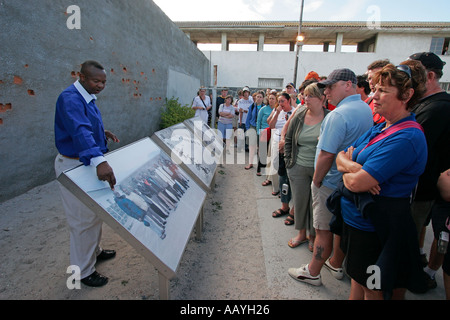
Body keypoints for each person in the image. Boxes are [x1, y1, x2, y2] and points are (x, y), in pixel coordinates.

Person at [330, 61, 429, 300]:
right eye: (375, 89)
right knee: (357, 276)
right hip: (358, 221)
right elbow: (340, 156)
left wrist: (352, 171)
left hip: (375, 228)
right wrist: (355, 167)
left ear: (406, 95)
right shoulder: (382, 126)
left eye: (383, 90)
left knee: (372, 287)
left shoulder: (407, 136)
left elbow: (354, 183)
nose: (374, 95)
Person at [288, 68, 373, 286]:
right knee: (338, 229)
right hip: (347, 180)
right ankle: (336, 263)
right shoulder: (364, 108)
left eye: (331, 87)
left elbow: (326, 154)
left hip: (330, 181)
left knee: (322, 229)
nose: (327, 92)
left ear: (348, 85)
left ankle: (313, 271)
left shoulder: (337, 115)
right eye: (324, 88)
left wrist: (317, 181)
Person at [54, 60, 120, 287]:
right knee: (81, 221)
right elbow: (79, 129)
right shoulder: (70, 98)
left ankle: (94, 251)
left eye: (104, 82)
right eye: (96, 81)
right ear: (81, 76)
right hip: (74, 166)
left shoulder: (86, 94)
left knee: (93, 214)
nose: (101, 85)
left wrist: (103, 133)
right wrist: (100, 160)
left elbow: (87, 125)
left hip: (85, 163)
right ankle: (82, 272)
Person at [407, 52, 450, 289]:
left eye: (413, 75)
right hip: (423, 189)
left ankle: (415, 278)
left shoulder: (436, 108)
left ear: (429, 76)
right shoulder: (427, 104)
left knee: (408, 238)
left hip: (423, 190)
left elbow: (408, 149)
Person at [284, 83, 330, 250]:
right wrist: (289, 162)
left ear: (322, 98)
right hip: (298, 166)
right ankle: (301, 234)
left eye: (311, 96)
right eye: (305, 95)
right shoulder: (300, 114)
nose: (306, 99)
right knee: (300, 201)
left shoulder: (330, 117)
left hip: (321, 169)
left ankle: (313, 236)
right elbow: (289, 138)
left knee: (315, 204)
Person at [268, 92, 294, 218]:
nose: (281, 104)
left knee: (292, 177)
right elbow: (271, 126)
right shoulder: (277, 112)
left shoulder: (296, 112)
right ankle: (284, 205)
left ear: (289, 101)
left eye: (282, 101)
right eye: (279, 101)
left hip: (291, 148)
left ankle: (293, 208)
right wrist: (277, 113)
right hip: (278, 145)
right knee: (281, 174)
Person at [261, 90, 279, 190]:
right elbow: (269, 121)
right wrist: (275, 112)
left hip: (280, 137)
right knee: (269, 156)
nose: (271, 100)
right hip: (272, 134)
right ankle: (268, 178)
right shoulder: (275, 109)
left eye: (273, 99)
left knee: (276, 160)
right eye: (270, 98)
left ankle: (276, 184)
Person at [245, 91, 265, 173]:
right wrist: (247, 128)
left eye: (260, 97)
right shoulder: (252, 106)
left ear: (263, 98)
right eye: (257, 96)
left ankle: (260, 166)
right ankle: (250, 163)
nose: (259, 98)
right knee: (252, 146)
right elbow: (248, 118)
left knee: (261, 148)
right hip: (252, 127)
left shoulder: (264, 107)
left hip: (261, 128)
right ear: (255, 97)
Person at [366, 59, 390, 124]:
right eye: (369, 79)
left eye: (375, 77)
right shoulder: (368, 102)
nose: (371, 82)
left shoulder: (393, 106)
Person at [237, 87, 254, 152]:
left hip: (249, 121)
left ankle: (246, 147)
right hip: (242, 120)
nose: (246, 94)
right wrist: (240, 121)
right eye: (245, 92)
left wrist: (244, 110)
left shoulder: (251, 100)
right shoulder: (240, 101)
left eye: (247, 92)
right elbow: (240, 110)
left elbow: (250, 111)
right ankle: (239, 147)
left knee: (247, 135)